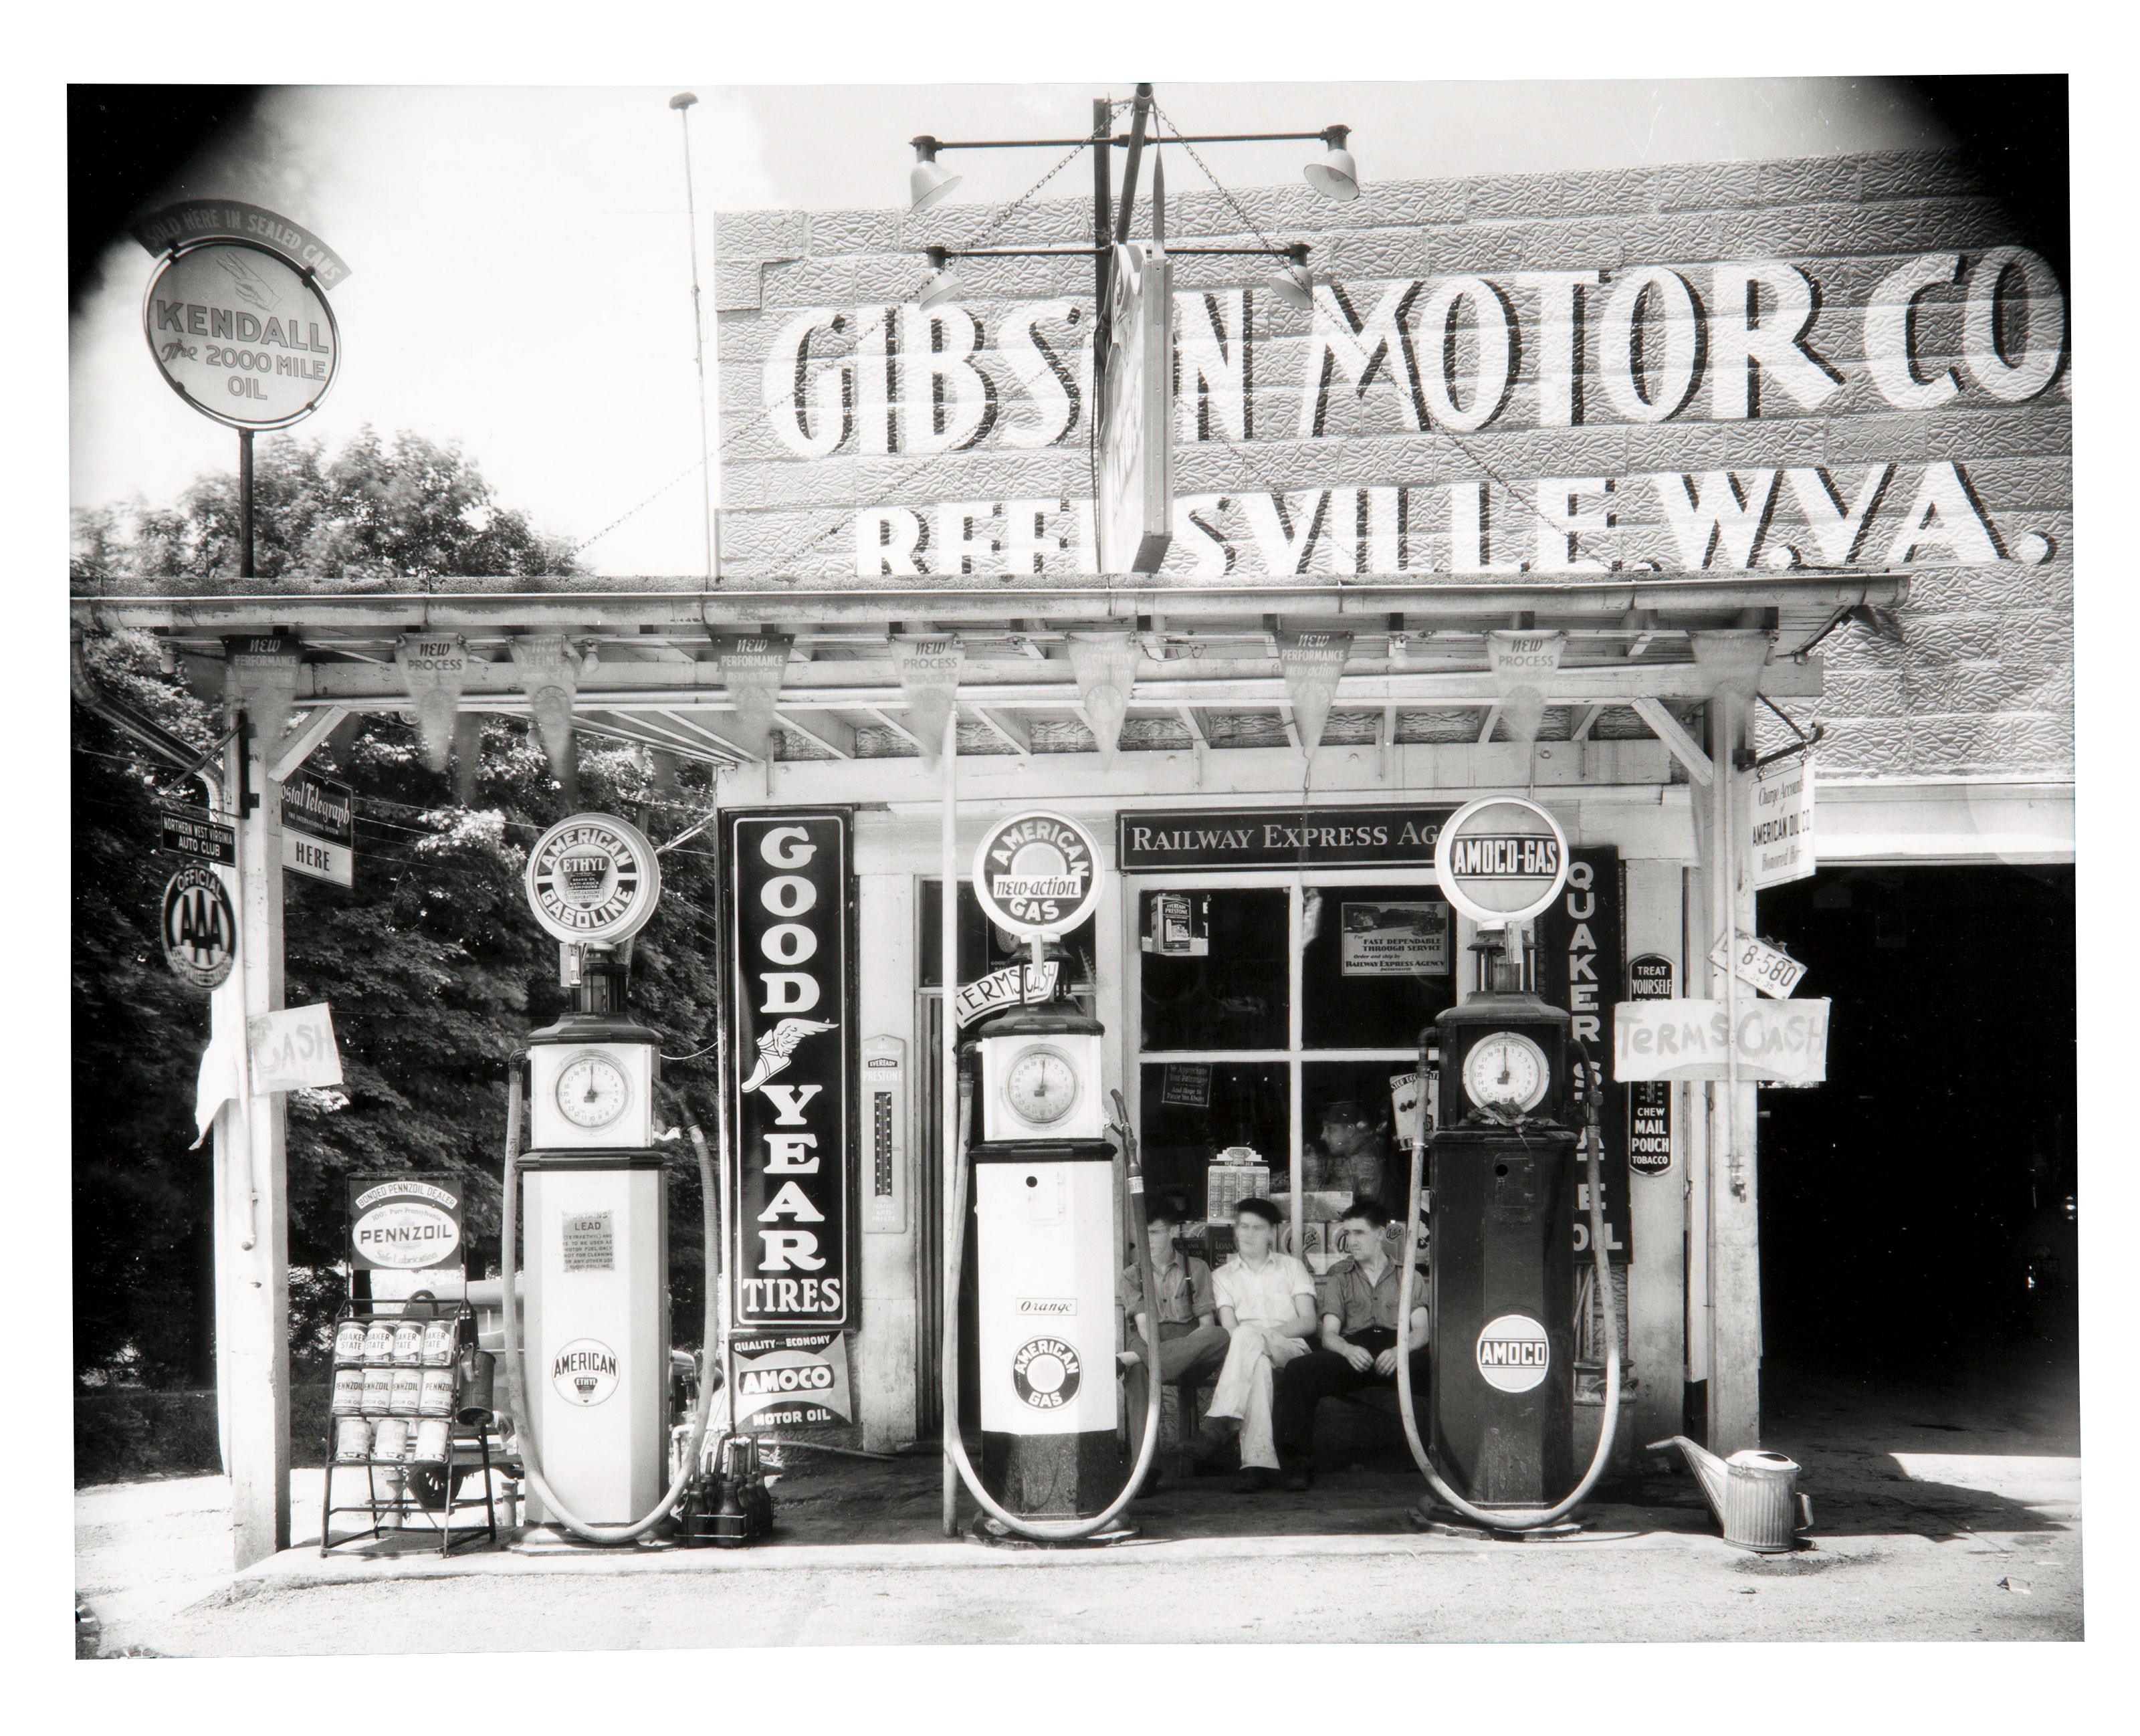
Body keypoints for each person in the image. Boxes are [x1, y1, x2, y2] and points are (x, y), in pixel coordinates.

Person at [1273, 1197, 1431, 1492]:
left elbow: (1421, 1331)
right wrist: (1347, 1350)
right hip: (1354, 1354)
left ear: (1380, 1234)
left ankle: (1445, 1460)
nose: (1351, 1241)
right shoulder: (1340, 1277)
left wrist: (1400, 1350)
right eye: (1347, 1233)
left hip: (1398, 1352)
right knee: (1299, 1370)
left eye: (1359, 1233)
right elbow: (1329, 1334)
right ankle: (1298, 1464)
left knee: (1443, 1369)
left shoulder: (1408, 1275)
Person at [1186, 1196, 1319, 1492]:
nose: (1247, 1234)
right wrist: (1256, 1340)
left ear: (1272, 1232)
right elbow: (1230, 1329)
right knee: (1257, 1363)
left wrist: (1264, 1336)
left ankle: (1219, 1421)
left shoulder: (1292, 1267)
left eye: (1257, 1228)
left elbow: (1309, 1322)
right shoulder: (1221, 1277)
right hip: (1246, 1355)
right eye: (1243, 1227)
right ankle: (1255, 1465)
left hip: (1291, 1351)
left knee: (1249, 1336)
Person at [1117, 1206, 1226, 1494]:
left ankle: (1134, 1359)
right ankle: (1145, 1470)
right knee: (1138, 1374)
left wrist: (1181, 1352)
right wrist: (1158, 1355)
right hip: (1150, 1339)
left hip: (1191, 1342)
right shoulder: (1131, 1275)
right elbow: (1144, 1326)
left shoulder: (1196, 1268)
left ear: (1173, 1231)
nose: (1148, 1240)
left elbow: (1206, 1324)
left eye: (1155, 1232)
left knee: (1221, 1335)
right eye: (1143, 1234)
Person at [1303, 1099, 1396, 1206]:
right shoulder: (1368, 1156)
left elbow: (1331, 1207)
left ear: (1349, 1131)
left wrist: (1311, 1174)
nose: (1323, 1136)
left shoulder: (1361, 1162)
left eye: (1330, 1129)